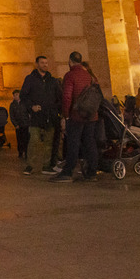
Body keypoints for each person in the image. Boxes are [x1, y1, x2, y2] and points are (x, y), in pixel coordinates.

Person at [50, 51, 98, 182]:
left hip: (76, 115)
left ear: (70, 61)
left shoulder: (70, 76)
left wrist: (65, 115)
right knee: (90, 142)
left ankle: (67, 173)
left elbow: (66, 97)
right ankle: (92, 172)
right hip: (91, 115)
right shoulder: (89, 75)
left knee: (73, 144)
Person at [19, 55, 60, 175]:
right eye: (42, 63)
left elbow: (59, 97)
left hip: (50, 116)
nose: (45, 65)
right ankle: (30, 165)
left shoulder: (52, 81)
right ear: (37, 64)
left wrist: (56, 111)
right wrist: (31, 107)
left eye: (46, 63)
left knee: (48, 142)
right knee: (34, 141)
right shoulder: (30, 79)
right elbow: (23, 96)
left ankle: (46, 166)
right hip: (36, 117)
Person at [10, 89, 30, 161]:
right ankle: (20, 152)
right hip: (18, 125)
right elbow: (12, 116)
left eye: (17, 95)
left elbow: (28, 113)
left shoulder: (24, 103)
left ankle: (27, 152)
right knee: (19, 139)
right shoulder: (12, 105)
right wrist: (15, 124)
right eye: (14, 95)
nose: (16, 96)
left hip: (25, 124)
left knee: (26, 139)